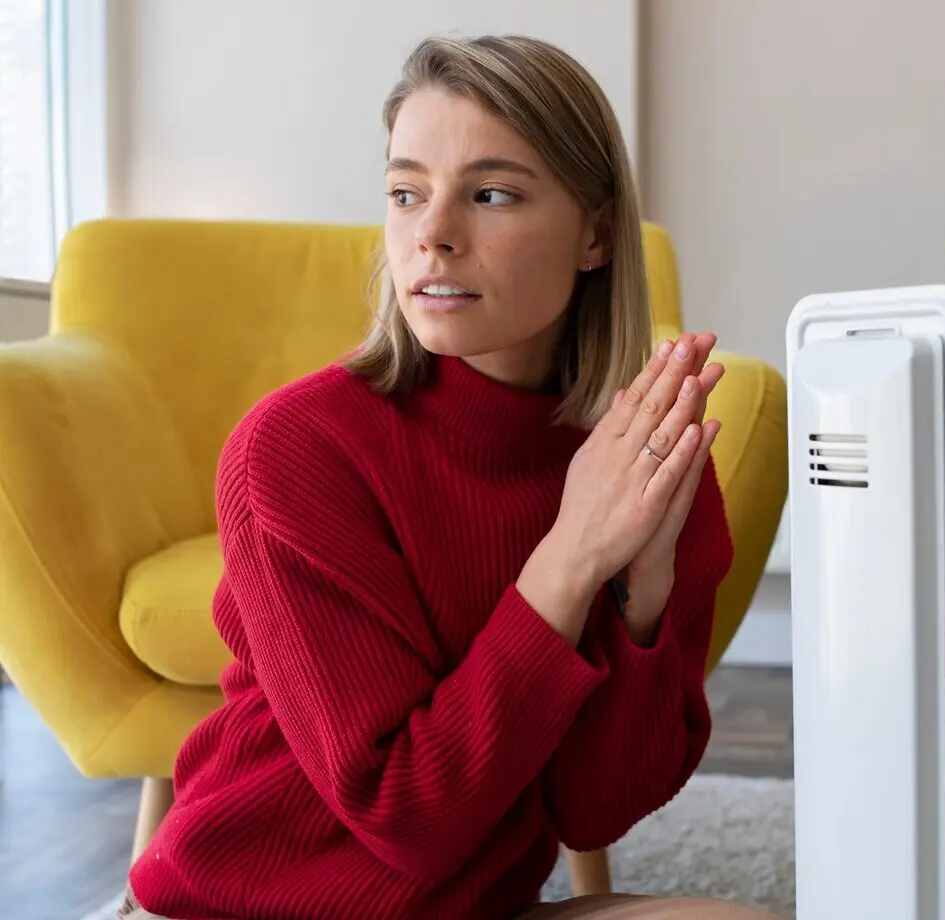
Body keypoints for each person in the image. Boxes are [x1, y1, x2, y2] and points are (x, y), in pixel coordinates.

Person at [120, 32, 782, 920]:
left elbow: (596, 810)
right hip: (250, 905)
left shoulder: (641, 465)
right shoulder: (296, 449)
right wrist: (570, 558)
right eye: (406, 192)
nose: (432, 234)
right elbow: (407, 817)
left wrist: (644, 592)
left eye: (492, 194)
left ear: (595, 233)